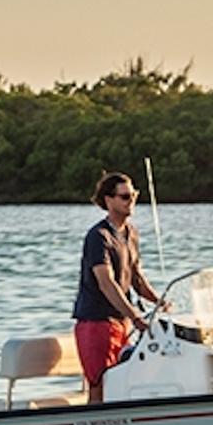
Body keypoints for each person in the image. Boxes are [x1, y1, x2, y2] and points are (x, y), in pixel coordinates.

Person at [72, 170, 163, 403]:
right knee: (100, 385)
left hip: (121, 323)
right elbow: (106, 282)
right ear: (109, 200)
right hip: (97, 322)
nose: (130, 201)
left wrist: (159, 301)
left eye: (133, 196)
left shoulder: (131, 233)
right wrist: (135, 316)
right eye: (124, 197)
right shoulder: (99, 236)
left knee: (124, 382)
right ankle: (94, 424)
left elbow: (136, 277)